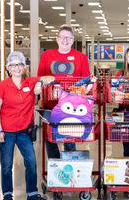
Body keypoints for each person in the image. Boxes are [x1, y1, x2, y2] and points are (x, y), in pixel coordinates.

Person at [0, 51, 53, 200]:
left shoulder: (30, 82)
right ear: (8, 68)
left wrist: (40, 83)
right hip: (6, 131)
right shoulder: (2, 86)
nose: (16, 68)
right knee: (7, 164)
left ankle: (32, 194)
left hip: (24, 131)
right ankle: (7, 194)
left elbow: (50, 78)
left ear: (24, 67)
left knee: (31, 161)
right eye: (13, 65)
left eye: (19, 64)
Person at [37, 25, 90, 159]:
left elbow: (86, 81)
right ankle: (55, 165)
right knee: (50, 138)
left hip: (71, 107)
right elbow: (40, 78)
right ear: (57, 39)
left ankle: (69, 164)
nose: (65, 40)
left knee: (69, 138)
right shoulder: (47, 55)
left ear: (73, 40)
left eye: (69, 38)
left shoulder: (81, 57)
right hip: (50, 104)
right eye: (62, 37)